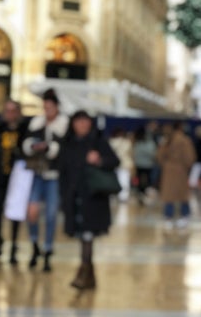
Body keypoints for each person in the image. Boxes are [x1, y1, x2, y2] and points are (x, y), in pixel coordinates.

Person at [58, 110, 119, 290]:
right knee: (83, 236)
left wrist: (99, 160)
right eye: (79, 122)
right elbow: (63, 172)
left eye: (85, 122)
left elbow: (115, 161)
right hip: (74, 197)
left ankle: (83, 273)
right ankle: (89, 276)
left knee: (87, 235)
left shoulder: (98, 142)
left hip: (93, 199)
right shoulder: (68, 143)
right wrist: (63, 197)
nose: (82, 125)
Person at [22, 88, 69, 271]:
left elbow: (66, 150)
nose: (47, 110)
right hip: (37, 173)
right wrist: (34, 145)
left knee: (50, 215)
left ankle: (48, 250)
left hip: (54, 176)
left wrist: (50, 147)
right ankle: (35, 245)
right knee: (31, 212)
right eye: (45, 107)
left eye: (50, 107)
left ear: (56, 107)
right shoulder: (37, 123)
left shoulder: (63, 125)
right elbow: (26, 142)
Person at [0, 98, 29, 263]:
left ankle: (14, 246)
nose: (9, 114)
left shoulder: (24, 131)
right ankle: (0, 240)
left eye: (12, 110)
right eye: (6, 110)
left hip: (18, 179)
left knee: (16, 214)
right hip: (0, 178)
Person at [158, 121, 196, 228]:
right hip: (180, 170)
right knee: (182, 194)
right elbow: (189, 157)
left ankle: (168, 216)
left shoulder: (166, 140)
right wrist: (187, 167)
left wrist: (165, 164)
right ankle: (184, 215)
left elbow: (159, 156)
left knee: (168, 194)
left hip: (168, 170)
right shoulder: (185, 140)